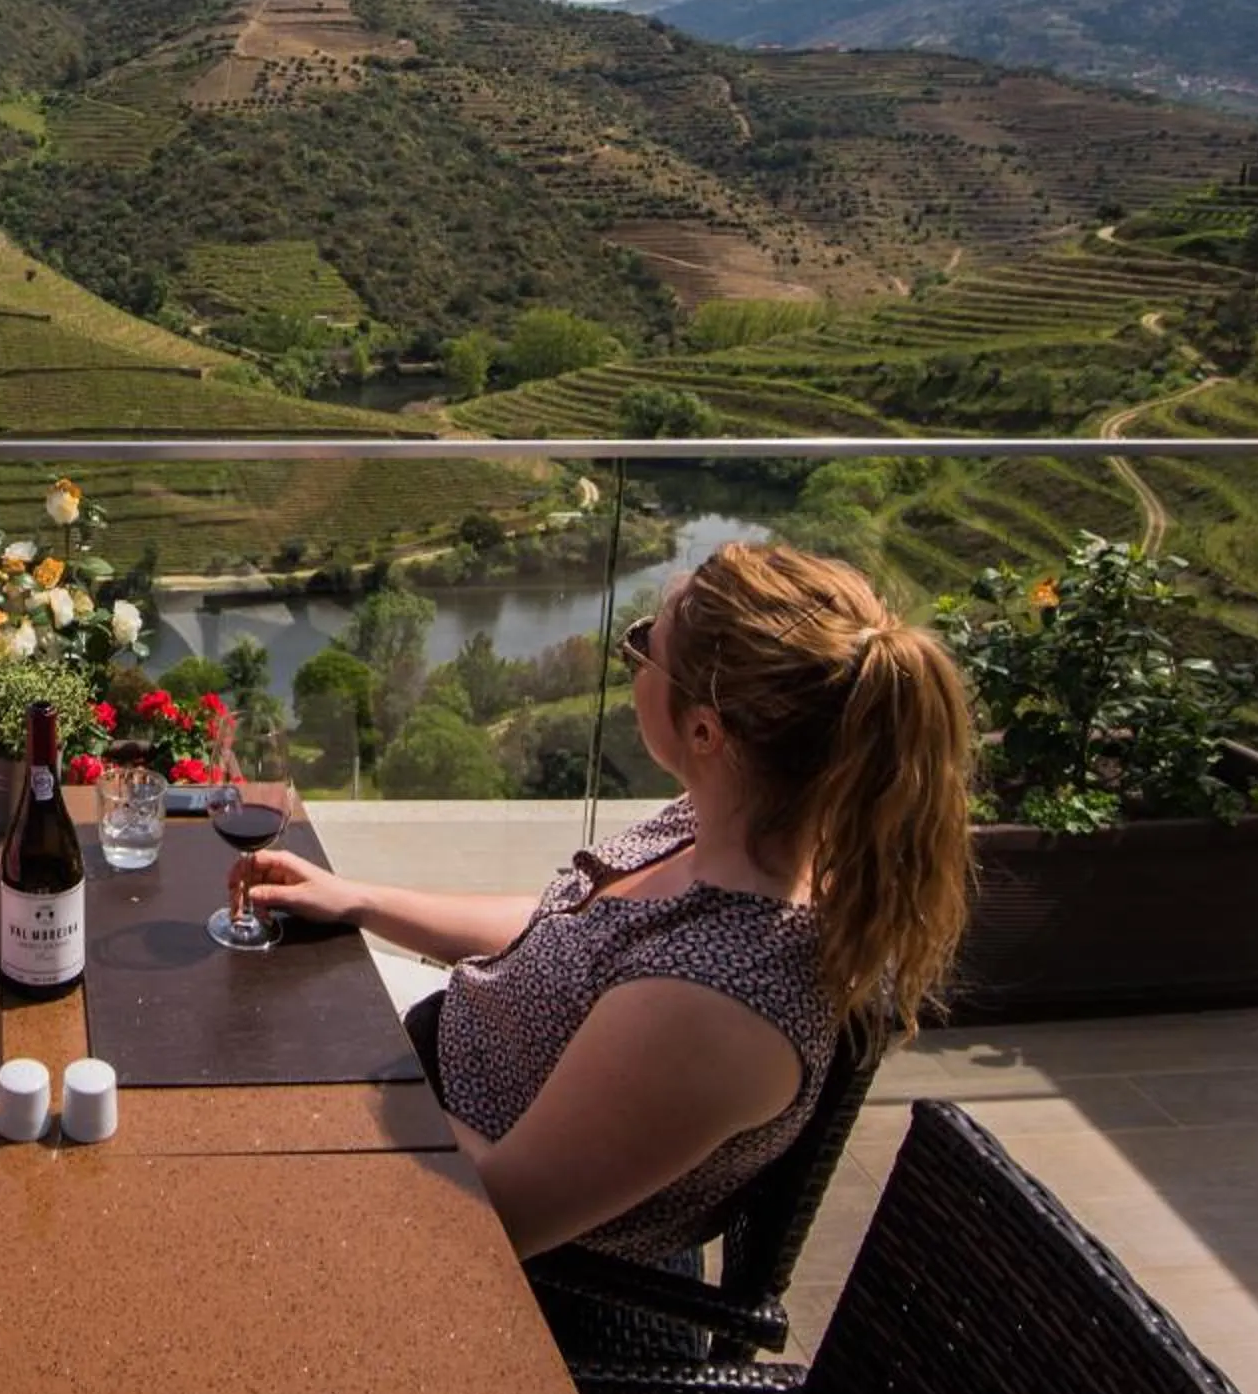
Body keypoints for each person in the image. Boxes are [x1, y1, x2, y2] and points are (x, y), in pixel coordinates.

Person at [242, 540, 970, 1350]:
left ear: (704, 730)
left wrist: (354, 1075)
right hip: (426, 1097)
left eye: (642, 647)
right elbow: (574, 931)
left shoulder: (718, 1007)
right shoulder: (728, 825)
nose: (631, 663)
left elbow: (495, 1215)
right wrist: (367, 902)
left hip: (512, 1278)